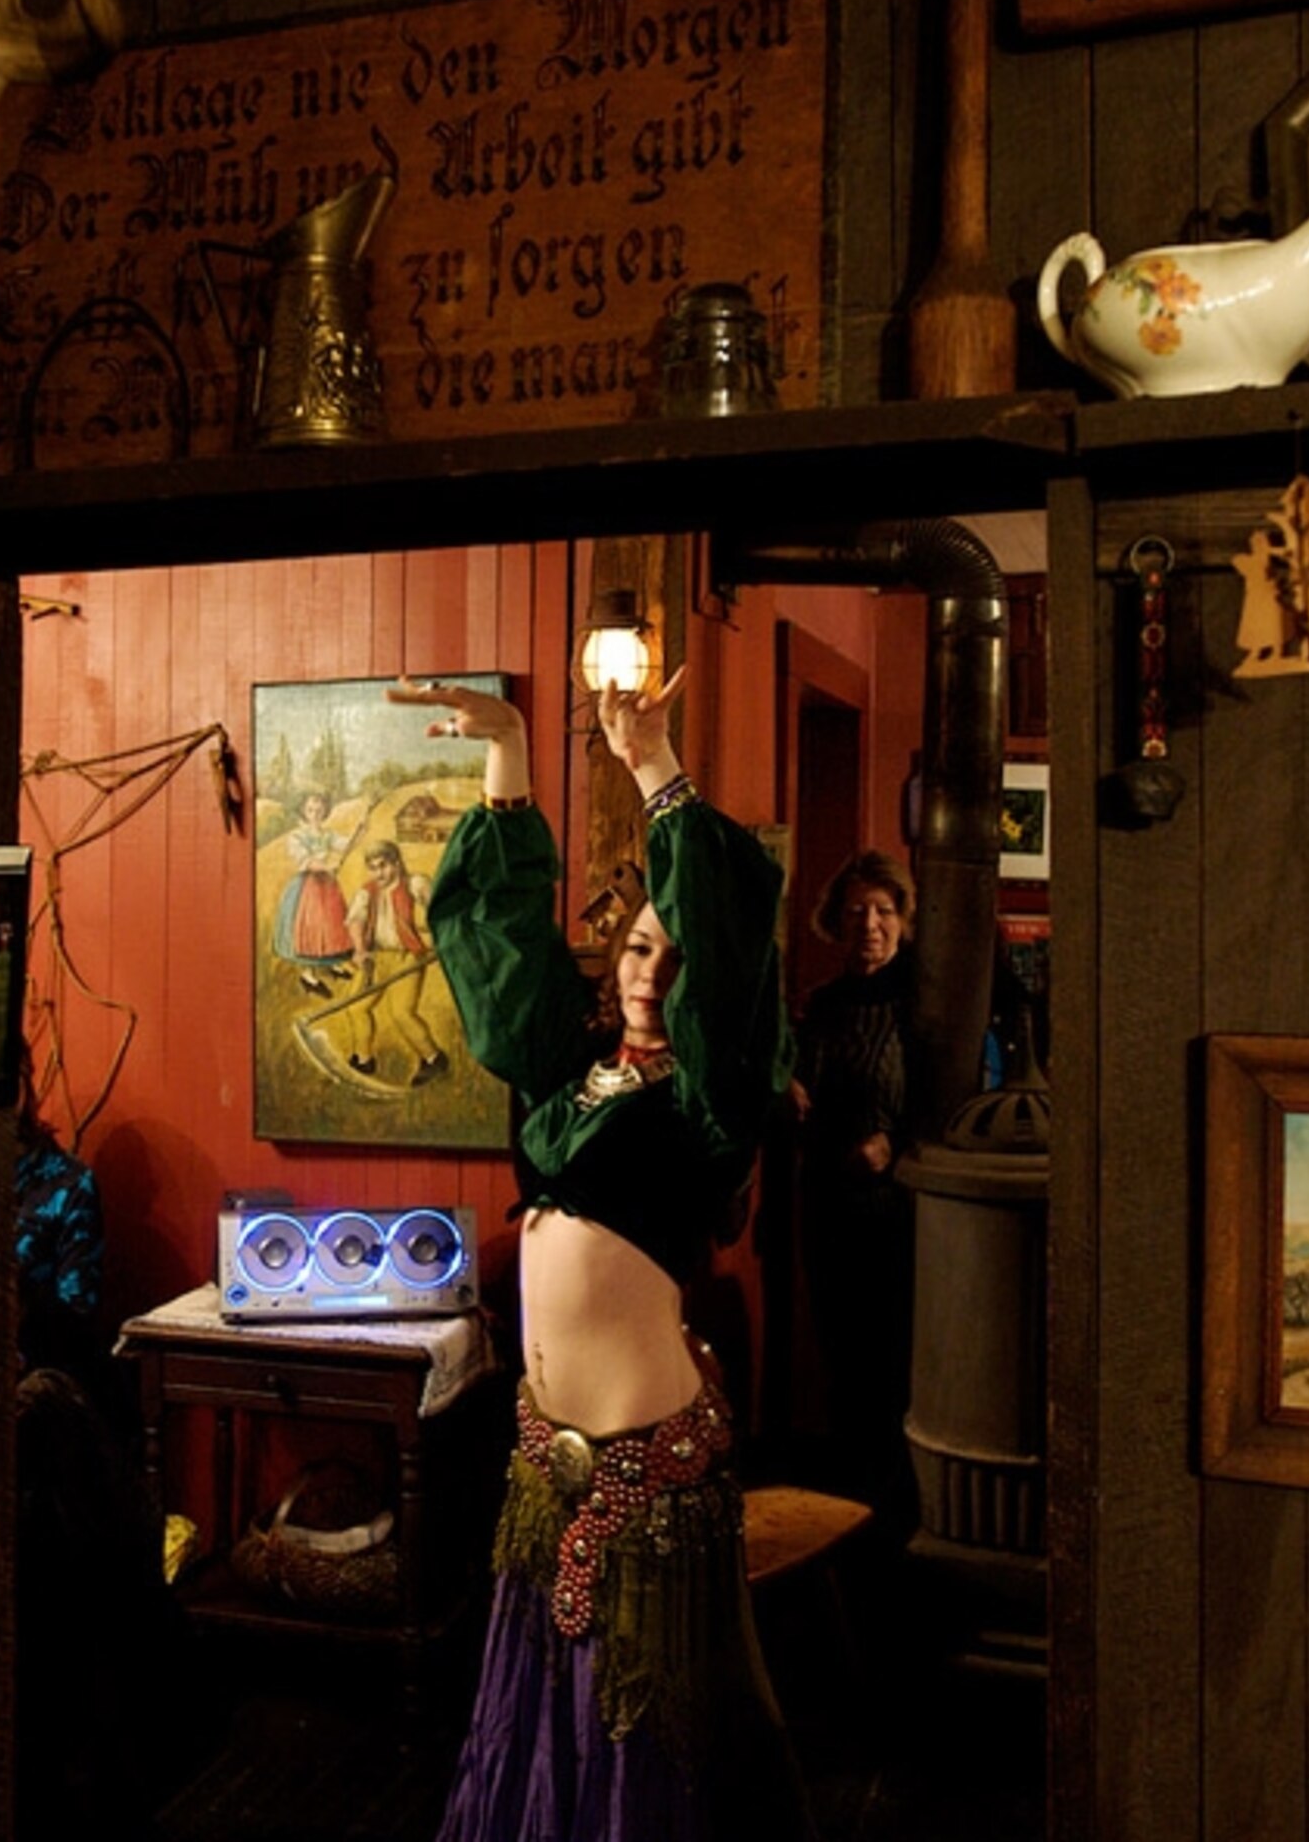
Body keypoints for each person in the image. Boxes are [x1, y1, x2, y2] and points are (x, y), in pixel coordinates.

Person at [389, 670, 813, 1842]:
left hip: (646, 1461)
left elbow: (733, 959)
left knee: (638, 1727)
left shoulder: (715, 1101)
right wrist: (513, 752)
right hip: (543, 1455)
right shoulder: (566, 1069)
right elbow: (500, 958)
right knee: (540, 1722)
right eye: (634, 946)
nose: (647, 970)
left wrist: (653, 760)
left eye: (670, 957)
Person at [790, 849, 919, 1512]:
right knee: (842, 1354)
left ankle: (892, 1500)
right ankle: (849, 1502)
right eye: (857, 911)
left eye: (883, 910)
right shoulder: (823, 1003)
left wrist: (895, 1145)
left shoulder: (921, 1003)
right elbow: (799, 1087)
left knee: (892, 1356)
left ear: (902, 919)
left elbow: (948, 1098)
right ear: (836, 921)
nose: (870, 923)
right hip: (829, 1204)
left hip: (895, 1210)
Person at [342, 838, 448, 1086]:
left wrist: (438, 939)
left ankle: (433, 1059)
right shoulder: (367, 892)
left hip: (406, 956)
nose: (379, 873)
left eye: (384, 866)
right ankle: (364, 1060)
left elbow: (439, 911)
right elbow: (355, 921)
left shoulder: (414, 884)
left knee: (401, 1013)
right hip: (377, 958)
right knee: (356, 1007)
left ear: (397, 864)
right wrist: (360, 951)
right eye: (374, 867)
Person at [269, 789, 355, 995]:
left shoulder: (328, 834)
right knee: (312, 927)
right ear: (303, 811)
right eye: (310, 809)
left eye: (319, 808)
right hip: (309, 888)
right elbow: (306, 861)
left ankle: (332, 964)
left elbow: (344, 845)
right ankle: (309, 975)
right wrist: (327, 867)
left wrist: (358, 834)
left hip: (328, 887)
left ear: (325, 810)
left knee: (333, 924)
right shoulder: (297, 836)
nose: (315, 812)